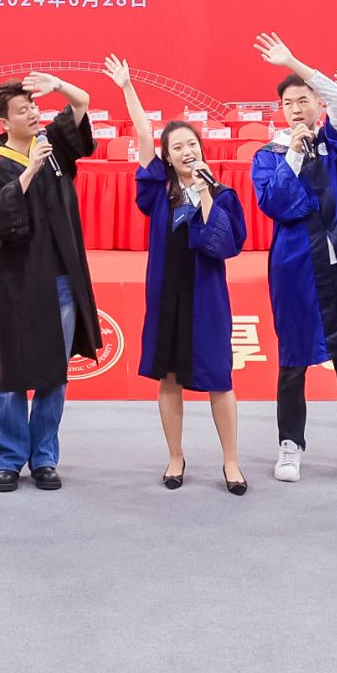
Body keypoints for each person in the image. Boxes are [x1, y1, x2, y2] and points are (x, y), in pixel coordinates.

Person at [246, 35, 337, 487]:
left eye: (303, 100)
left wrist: (294, 62)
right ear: (280, 110)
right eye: (288, 103)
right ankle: (290, 447)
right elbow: (275, 204)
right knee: (292, 365)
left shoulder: (332, 144)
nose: (295, 108)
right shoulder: (268, 156)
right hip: (296, 273)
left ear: (315, 105)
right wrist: (293, 150)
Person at [107, 55, 248, 494]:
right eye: (178, 148)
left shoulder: (223, 195)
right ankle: (175, 457)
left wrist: (205, 193)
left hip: (207, 301)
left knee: (219, 380)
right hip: (166, 298)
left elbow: (224, 245)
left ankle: (231, 461)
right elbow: (143, 134)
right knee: (168, 380)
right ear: (167, 157)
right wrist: (127, 87)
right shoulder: (159, 192)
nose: (187, 152)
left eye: (192, 145)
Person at [0, 72, 99, 492]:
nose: (33, 114)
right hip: (19, 280)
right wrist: (28, 172)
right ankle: (7, 458)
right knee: (14, 369)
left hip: (61, 277)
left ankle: (44, 456)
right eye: (22, 110)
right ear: (3, 122)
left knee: (54, 372)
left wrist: (57, 84)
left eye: (33, 106)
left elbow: (81, 103)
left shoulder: (54, 146)